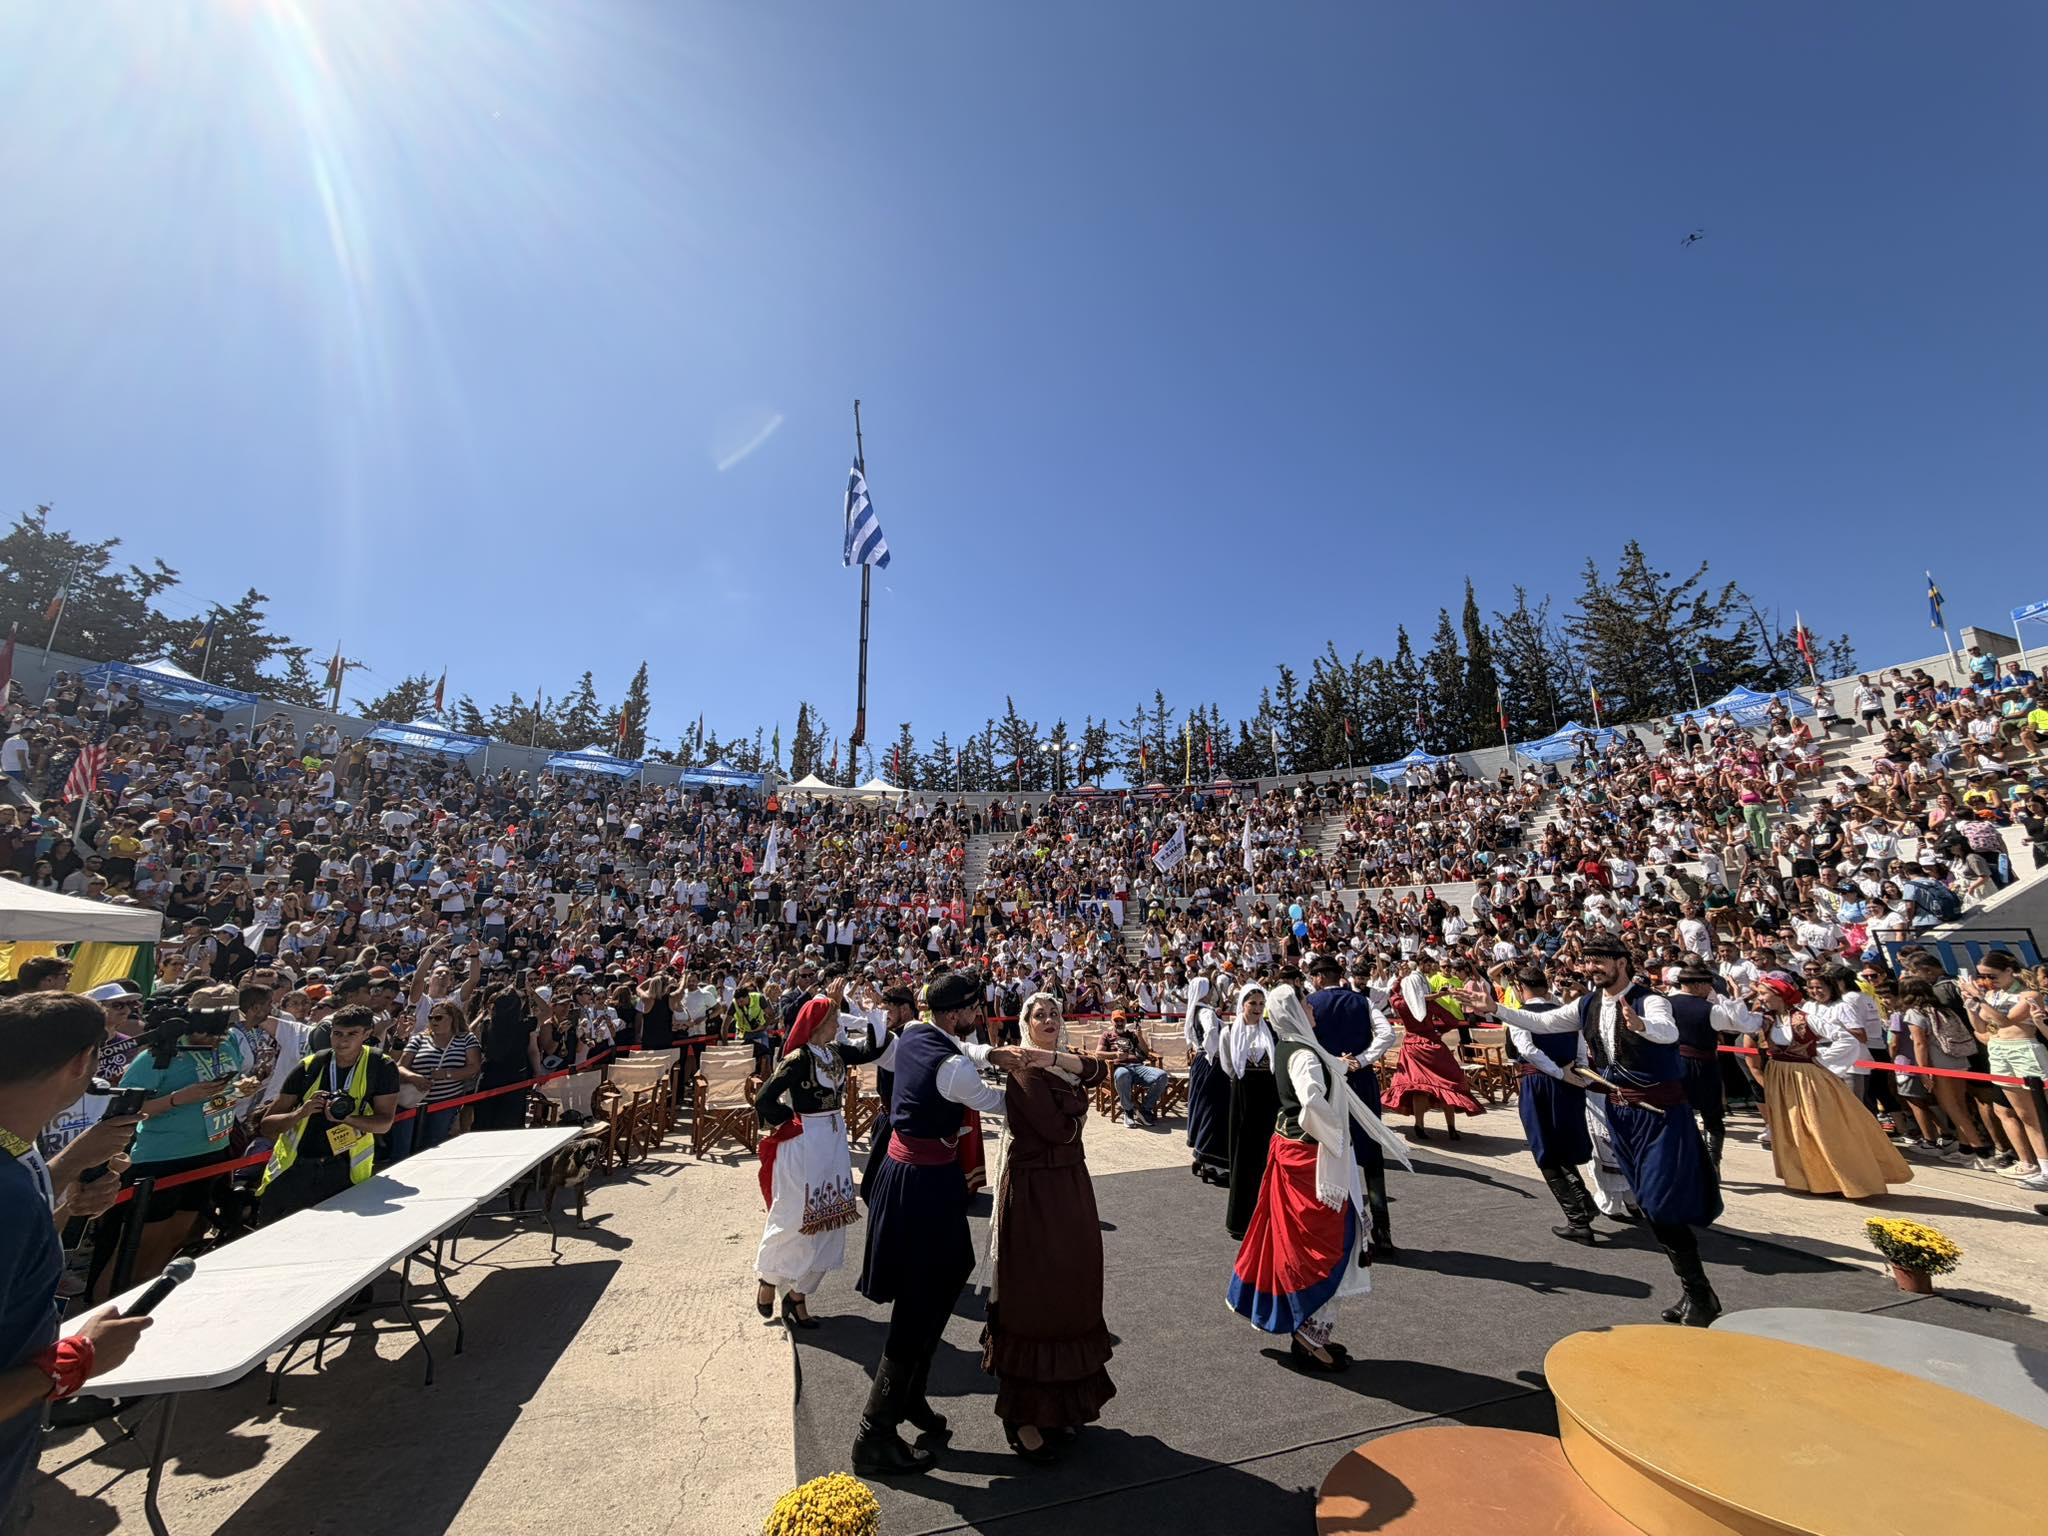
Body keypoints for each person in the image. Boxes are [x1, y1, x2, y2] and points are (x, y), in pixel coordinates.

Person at [1461, 932, 1727, 1326]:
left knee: (1660, 1203)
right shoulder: (1586, 1003)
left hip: (1659, 1115)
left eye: (1600, 959)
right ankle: (1697, 1293)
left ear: (1622, 961)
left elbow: (1667, 1032)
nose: (1591, 966)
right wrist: (1495, 1008)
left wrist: (1641, 1028)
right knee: (1654, 1207)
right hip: (1622, 1114)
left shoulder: (1650, 1000)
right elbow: (1540, 1021)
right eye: (1587, 960)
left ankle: (1699, 1293)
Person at [852, 970, 1043, 1476]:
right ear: (959, 1012)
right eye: (975, 1009)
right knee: (918, 1303)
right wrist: (1043, 1081)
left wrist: (991, 1054)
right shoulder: (953, 1066)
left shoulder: (915, 1034)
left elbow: (953, 1051)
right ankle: (875, 1433)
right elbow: (1003, 1103)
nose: (980, 1015)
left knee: (953, 1269)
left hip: (912, 1176)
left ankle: (912, 1394)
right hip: (922, 1183)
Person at [1, 992, 156, 1531]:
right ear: (80, 1063)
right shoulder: (9, 1192)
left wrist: (67, 1180)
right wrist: (80, 1358)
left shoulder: (18, 1153)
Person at [1227, 984, 1409, 1372]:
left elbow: (1328, 1069)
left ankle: (1309, 1329)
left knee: (1298, 1237)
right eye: (1306, 1003)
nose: (1312, 1008)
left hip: (1292, 1151)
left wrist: (1341, 1065)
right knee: (1329, 1241)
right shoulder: (1303, 1054)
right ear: (1295, 1010)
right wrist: (1336, 1135)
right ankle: (1308, 1334)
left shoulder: (1292, 1044)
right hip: (1311, 1157)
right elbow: (1311, 1099)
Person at [981, 992, 1115, 1463]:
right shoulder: (1022, 1072)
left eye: (1055, 1013)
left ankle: (1061, 1406)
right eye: (1040, 1015)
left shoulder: (1053, 1066)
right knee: (1037, 1293)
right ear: (1025, 1023)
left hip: (1069, 1186)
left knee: (1072, 1287)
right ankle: (1023, 1415)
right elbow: (1060, 1128)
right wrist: (1078, 1092)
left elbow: (1101, 1072)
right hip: (1037, 1192)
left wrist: (1067, 1067)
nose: (1050, 1019)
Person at [97, 982, 257, 1294]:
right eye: (208, 1029)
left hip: (212, 1152)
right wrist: (177, 1099)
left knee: (180, 1235)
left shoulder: (227, 1046)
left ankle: (147, 1296)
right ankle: (105, 1303)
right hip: (163, 1158)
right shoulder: (160, 1054)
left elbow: (223, 1089)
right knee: (141, 1242)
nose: (212, 1038)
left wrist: (241, 1089)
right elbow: (124, 1110)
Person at [753, 985, 891, 1327]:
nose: (837, 1025)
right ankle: (769, 1278)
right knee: (794, 1216)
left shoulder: (836, 1053)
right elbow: (765, 1098)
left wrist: (868, 1008)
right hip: (805, 1144)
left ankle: (799, 1296)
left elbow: (873, 1047)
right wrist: (792, 1123)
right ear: (818, 1024)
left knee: (830, 1221)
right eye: (832, 1019)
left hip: (831, 1141)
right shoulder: (799, 1058)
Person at [1745, 977, 1913, 1198]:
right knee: (1793, 1129)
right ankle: (1809, 1178)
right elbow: (1731, 1020)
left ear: (1779, 995)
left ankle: (1844, 1179)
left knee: (1820, 1127)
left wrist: (1823, 1060)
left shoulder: (1805, 1018)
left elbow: (1847, 1039)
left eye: (1764, 994)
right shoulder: (1766, 1020)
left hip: (1806, 1077)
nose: (1761, 998)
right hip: (1780, 1076)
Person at [253, 1005, 401, 1221]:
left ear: (367, 1034)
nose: (343, 1041)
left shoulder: (380, 1066)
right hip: (294, 1168)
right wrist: (300, 1113)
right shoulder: (310, 1066)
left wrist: (347, 1118)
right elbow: (267, 1126)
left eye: (352, 1034)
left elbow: (384, 1123)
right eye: (337, 1033)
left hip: (344, 1170)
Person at [1499, 959, 1598, 1243]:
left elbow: (1526, 1049)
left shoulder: (1520, 1015)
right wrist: (1577, 1072)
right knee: (1563, 1143)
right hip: (1569, 1079)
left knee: (1545, 1148)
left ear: (1520, 988)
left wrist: (1558, 1072)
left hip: (1540, 1082)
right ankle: (1584, 1203)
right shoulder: (1566, 1013)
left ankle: (1578, 1219)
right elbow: (1581, 1047)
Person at [1303, 954, 1398, 1250]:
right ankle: (1382, 1231)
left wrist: (1332, 1062)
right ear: (1339, 975)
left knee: (1323, 1150)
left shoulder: (1309, 1004)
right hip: (1361, 1080)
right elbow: (1388, 1034)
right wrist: (1362, 1059)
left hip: (1327, 1082)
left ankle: (1329, 1230)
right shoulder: (1363, 1002)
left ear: (1318, 978)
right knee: (1371, 1154)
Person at [1957, 949, 2048, 1190]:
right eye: (1982, 976)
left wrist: (1981, 999)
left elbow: (2006, 1021)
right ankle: (2040, 1166)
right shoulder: (1993, 995)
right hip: (1999, 1050)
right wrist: (1970, 1004)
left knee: (2039, 1111)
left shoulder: (2029, 995)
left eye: (1992, 976)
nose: (1987, 981)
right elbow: (1981, 1027)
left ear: (2009, 971)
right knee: (2023, 1114)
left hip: (2024, 1050)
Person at [1667, 958, 1761, 1167]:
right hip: (1703, 1065)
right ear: (1699, 985)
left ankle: (1683, 1159)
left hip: (1673, 1064)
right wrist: (1736, 1000)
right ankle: (1712, 1163)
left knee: (1678, 1113)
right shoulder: (1710, 1009)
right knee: (1712, 1116)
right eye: (1709, 985)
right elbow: (1736, 1026)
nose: (1711, 989)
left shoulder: (1665, 1004)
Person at [1382, 967, 1484, 1141]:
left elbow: (1393, 993)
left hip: (1412, 1046)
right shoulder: (1429, 1004)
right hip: (1433, 1045)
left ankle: (1419, 1124)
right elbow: (1452, 1021)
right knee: (1446, 1085)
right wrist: (1438, 1031)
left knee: (1418, 1087)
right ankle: (1451, 1127)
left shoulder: (1400, 1003)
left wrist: (1401, 978)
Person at [1218, 983, 1276, 1242]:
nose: (1257, 1008)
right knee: (1243, 1157)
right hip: (1242, 1098)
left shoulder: (1270, 1032)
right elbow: (1228, 1066)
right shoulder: (1229, 1032)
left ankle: (1268, 1216)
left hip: (1268, 1098)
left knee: (1266, 1155)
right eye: (1252, 1003)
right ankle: (1241, 1220)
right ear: (1242, 1004)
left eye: (1261, 1004)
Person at [858, 986, 921, 1204]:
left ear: (905, 1009)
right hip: (886, 1117)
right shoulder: (894, 1033)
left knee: (886, 1189)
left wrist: (873, 1015)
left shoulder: (912, 1036)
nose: (885, 1016)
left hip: (901, 1123)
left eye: (888, 1011)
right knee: (874, 1187)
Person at [1182, 974, 1231, 1185]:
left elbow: (1195, 1038)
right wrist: (1216, 1053)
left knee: (1205, 1108)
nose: (1213, 993)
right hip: (1211, 1063)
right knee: (1216, 1110)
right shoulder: (1206, 1012)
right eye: (1210, 989)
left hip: (1201, 1062)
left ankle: (1202, 1156)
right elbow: (1211, 1032)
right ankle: (1211, 1160)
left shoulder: (1195, 1012)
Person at [1103, 1010, 1167, 1126]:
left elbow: (1146, 1053)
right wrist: (1115, 1055)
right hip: (1119, 1067)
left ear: (1126, 1021)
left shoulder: (1131, 1035)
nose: (1119, 1023)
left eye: (1121, 1020)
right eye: (1116, 1020)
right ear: (1111, 1022)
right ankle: (1128, 1111)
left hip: (1137, 1067)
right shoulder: (1106, 1036)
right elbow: (1097, 1053)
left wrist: (1140, 1037)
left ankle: (1144, 1109)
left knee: (1161, 1076)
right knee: (1123, 1074)